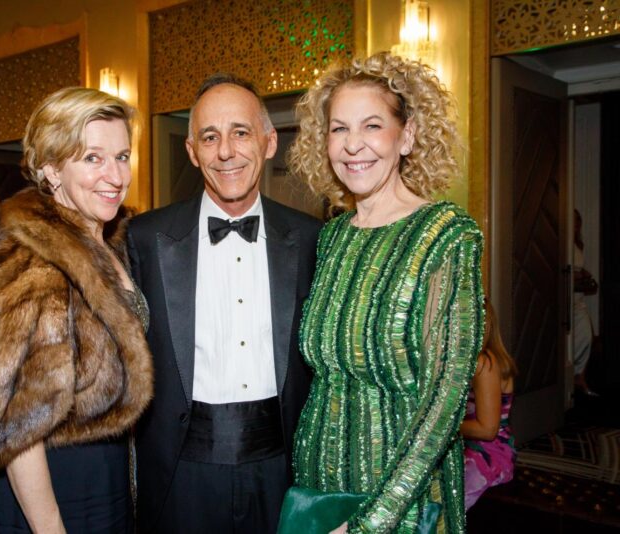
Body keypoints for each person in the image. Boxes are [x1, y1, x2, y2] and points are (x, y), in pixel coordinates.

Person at [288, 52, 484, 533]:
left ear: (408, 135)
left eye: (372, 126)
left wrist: (372, 522)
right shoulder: (332, 237)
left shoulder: (446, 234)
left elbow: (444, 403)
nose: (353, 144)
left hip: (404, 503)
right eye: (339, 129)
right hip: (317, 493)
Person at [0, 87, 153, 533]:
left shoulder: (111, 243)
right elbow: (14, 425)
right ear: (51, 168)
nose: (115, 175)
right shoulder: (32, 260)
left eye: (122, 157)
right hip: (52, 487)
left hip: (108, 475)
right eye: (93, 158)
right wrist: (50, 527)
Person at [128, 73, 322, 533]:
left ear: (269, 142)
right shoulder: (145, 238)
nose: (226, 152)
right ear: (192, 151)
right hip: (180, 471)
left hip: (282, 468)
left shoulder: (312, 237)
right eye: (210, 137)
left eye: (241, 133)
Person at [460, 300, 517, 510]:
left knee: (444, 500)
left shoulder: (485, 362)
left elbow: (487, 430)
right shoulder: (468, 359)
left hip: (489, 453)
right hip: (466, 446)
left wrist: (440, 426)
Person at [572, 209, 598, 396]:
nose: (575, 225)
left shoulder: (578, 244)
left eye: (577, 222)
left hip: (578, 298)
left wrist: (585, 274)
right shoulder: (563, 242)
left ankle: (580, 377)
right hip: (569, 296)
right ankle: (573, 378)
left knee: (586, 336)